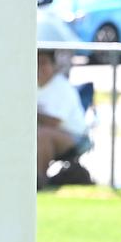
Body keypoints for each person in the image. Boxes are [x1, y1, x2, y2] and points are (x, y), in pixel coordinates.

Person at [37, 50, 89, 189]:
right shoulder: (31, 86)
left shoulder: (61, 87)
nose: (39, 68)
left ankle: (39, 181)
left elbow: (54, 123)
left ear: (53, 66)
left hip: (74, 136)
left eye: (44, 63)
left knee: (43, 135)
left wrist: (31, 114)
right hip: (43, 132)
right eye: (36, 63)